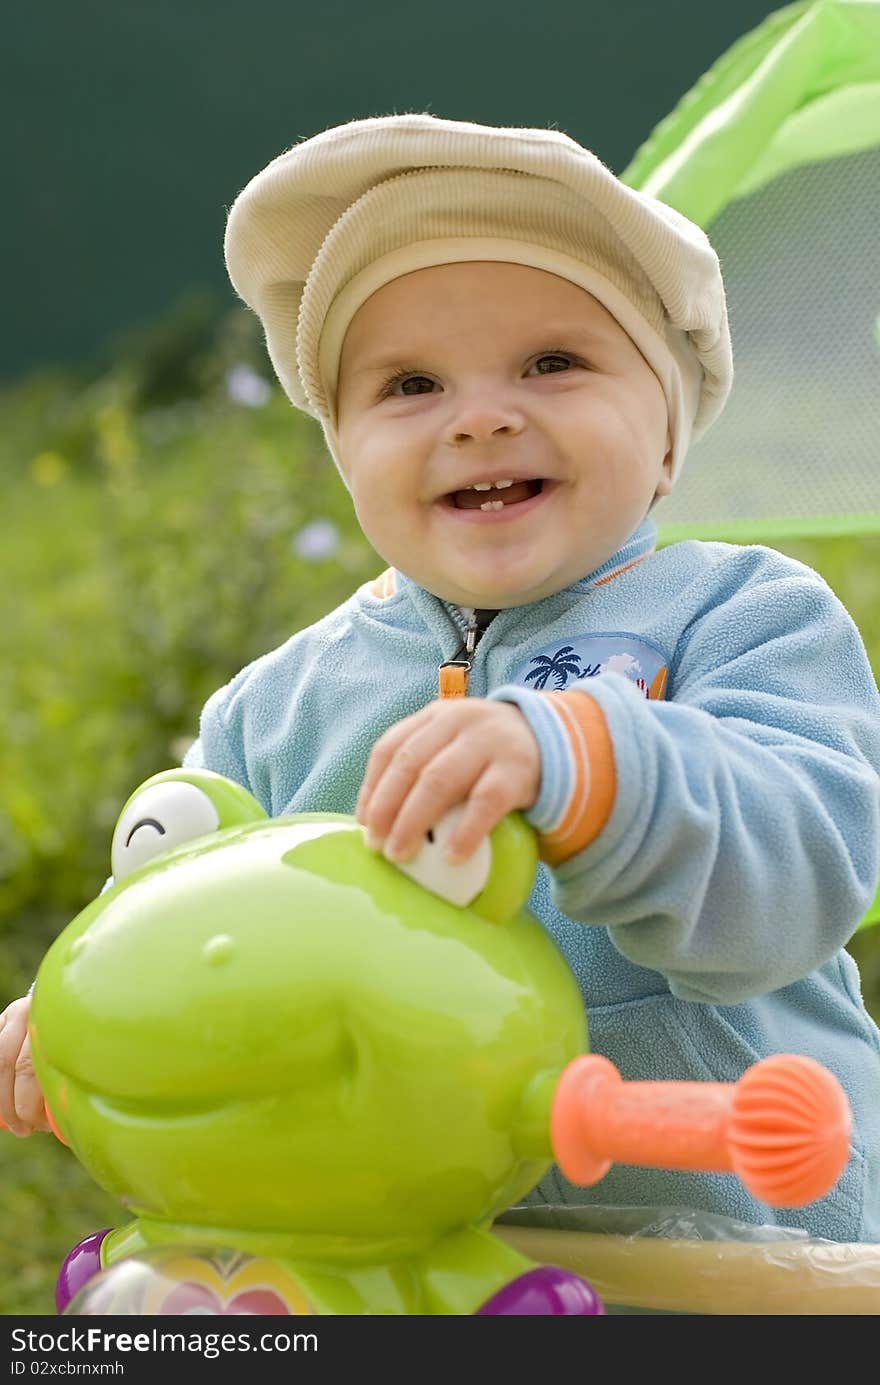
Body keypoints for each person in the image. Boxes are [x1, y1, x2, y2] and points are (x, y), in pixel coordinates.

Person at [3, 113, 880, 1242]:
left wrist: (582, 758)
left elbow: (797, 879)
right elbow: (204, 941)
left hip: (733, 1236)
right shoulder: (271, 711)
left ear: (667, 432)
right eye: (409, 384)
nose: (483, 416)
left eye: (553, 362)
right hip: (409, 1253)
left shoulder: (745, 616)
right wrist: (100, 1008)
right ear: (343, 453)